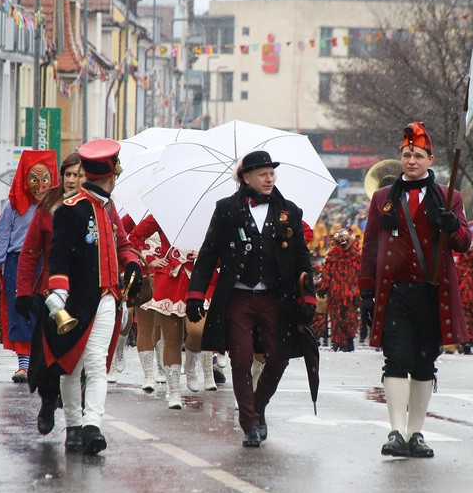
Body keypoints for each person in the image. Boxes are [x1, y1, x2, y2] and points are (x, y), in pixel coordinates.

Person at [185, 150, 316, 448]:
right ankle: (249, 424)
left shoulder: (290, 211)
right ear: (246, 177)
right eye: (263, 174)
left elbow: (301, 259)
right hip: (238, 298)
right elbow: (207, 255)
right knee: (241, 358)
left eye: (272, 173)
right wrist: (195, 295)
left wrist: (308, 297)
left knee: (280, 357)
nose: (269, 179)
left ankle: (258, 407)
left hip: (275, 297)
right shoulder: (226, 209)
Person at [359, 123, 471, 458]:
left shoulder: (450, 197)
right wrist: (367, 292)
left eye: (418, 155)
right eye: (407, 155)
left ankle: (415, 433)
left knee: (424, 363)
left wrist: (451, 225)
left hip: (431, 293)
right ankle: (395, 431)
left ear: (429, 159)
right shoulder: (382, 198)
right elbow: (370, 248)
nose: (411, 160)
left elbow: (464, 243)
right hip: (394, 293)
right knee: (396, 359)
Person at [44, 140, 144, 454]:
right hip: (76, 298)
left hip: (108, 297)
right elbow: (58, 255)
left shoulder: (110, 208)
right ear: (111, 175)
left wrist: (133, 264)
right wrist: (58, 293)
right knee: (70, 365)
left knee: (97, 362)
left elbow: (124, 244)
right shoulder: (71, 209)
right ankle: (73, 426)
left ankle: (92, 425)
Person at [14, 150, 82, 435]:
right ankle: (47, 400)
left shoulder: (95, 205)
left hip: (84, 291)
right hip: (50, 289)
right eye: (68, 174)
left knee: (79, 358)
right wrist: (23, 290)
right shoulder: (48, 205)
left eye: (78, 175)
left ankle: (79, 424)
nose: (72, 180)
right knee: (48, 354)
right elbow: (29, 251)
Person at [0, 150, 58, 381]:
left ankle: (47, 361)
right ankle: (24, 364)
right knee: (20, 311)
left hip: (49, 262)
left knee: (50, 310)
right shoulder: (15, 204)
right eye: (33, 179)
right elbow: (2, 234)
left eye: (44, 179)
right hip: (18, 262)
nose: (39, 185)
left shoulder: (61, 205)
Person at [130, 213, 210, 407]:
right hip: (169, 280)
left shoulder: (211, 211)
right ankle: (174, 391)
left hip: (198, 279)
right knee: (171, 339)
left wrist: (211, 254)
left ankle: (191, 366)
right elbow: (133, 237)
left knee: (198, 332)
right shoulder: (163, 211)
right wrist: (150, 258)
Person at [317, 229, 360, 352]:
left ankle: (349, 339)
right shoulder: (332, 256)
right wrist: (324, 288)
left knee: (350, 318)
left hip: (351, 293)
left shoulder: (356, 255)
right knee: (336, 319)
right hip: (335, 294)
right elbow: (327, 274)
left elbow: (360, 273)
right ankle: (337, 342)